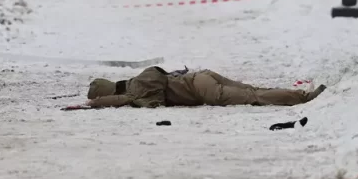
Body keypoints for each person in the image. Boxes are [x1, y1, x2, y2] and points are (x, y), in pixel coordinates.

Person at [85, 66, 326, 108]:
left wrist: (96, 104)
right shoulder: (142, 77)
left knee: (252, 97)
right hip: (201, 77)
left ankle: (303, 97)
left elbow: (152, 104)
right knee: (251, 90)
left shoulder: (136, 90)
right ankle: (297, 94)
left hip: (202, 91)